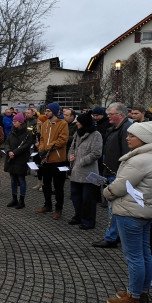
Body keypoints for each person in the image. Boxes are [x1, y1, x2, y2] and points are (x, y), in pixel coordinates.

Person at [103, 122, 152, 303]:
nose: (127, 138)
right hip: (144, 210)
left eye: (132, 135)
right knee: (145, 253)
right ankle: (142, 291)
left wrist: (107, 192)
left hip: (130, 212)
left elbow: (120, 186)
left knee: (134, 256)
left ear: (144, 139)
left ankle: (134, 296)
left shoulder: (139, 160)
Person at [93, 103, 132, 248]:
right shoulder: (116, 128)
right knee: (114, 207)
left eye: (111, 113)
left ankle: (110, 237)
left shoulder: (126, 128)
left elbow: (126, 155)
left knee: (113, 208)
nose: (108, 115)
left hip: (117, 174)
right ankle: (115, 235)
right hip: (111, 172)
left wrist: (121, 175)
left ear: (121, 115)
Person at [68, 111, 103, 230]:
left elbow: (97, 153)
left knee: (88, 199)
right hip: (76, 171)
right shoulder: (77, 134)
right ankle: (78, 216)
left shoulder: (96, 134)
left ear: (84, 123)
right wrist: (71, 157)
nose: (77, 123)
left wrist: (82, 160)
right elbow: (72, 148)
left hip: (89, 172)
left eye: (79, 121)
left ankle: (88, 221)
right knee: (75, 196)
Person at [35, 102, 69, 219]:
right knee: (46, 184)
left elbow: (62, 140)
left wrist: (47, 148)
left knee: (58, 186)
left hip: (58, 159)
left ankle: (58, 208)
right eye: (46, 110)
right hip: (46, 160)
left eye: (48, 111)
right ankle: (47, 205)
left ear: (54, 112)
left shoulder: (63, 124)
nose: (46, 112)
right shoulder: (45, 124)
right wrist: (41, 149)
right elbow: (42, 138)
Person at [4, 112, 32, 207]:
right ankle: (14, 199)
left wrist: (14, 152)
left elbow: (26, 146)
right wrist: (8, 151)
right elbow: (7, 143)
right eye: (13, 121)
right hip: (11, 158)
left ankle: (22, 200)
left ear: (20, 122)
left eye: (15, 121)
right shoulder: (12, 131)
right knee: (13, 180)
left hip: (21, 159)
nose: (13, 123)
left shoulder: (27, 133)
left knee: (21, 179)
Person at [31, 114, 47, 191]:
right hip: (36, 150)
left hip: (43, 151)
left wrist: (40, 144)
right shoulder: (36, 129)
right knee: (38, 167)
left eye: (39, 121)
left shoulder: (46, 129)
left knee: (43, 167)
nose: (38, 122)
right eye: (37, 120)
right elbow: (32, 137)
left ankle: (44, 184)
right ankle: (39, 182)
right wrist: (35, 142)